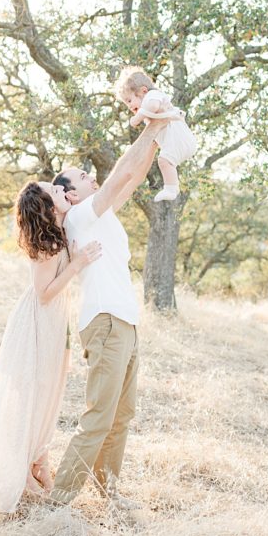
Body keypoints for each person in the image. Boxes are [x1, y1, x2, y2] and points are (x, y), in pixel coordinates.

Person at [0, 181, 102, 512]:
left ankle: (39, 460)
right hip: (36, 326)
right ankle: (23, 467)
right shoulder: (44, 245)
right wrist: (77, 264)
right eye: (55, 192)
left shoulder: (59, 233)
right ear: (48, 207)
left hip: (55, 324)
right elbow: (43, 293)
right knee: (32, 395)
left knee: (49, 393)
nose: (63, 191)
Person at [47, 116, 170, 510]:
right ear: (72, 194)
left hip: (126, 322)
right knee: (100, 415)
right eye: (83, 176)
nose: (92, 177)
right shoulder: (81, 216)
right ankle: (59, 500)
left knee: (122, 414)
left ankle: (109, 492)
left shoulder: (99, 215)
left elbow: (131, 178)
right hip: (106, 322)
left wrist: (158, 142)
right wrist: (150, 128)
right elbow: (119, 176)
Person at [113, 66, 197, 202]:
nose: (129, 106)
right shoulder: (149, 106)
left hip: (179, 140)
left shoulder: (153, 96)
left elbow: (152, 106)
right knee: (165, 161)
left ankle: (171, 189)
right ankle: (172, 188)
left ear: (143, 91)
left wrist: (137, 118)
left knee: (164, 161)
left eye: (129, 100)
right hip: (181, 142)